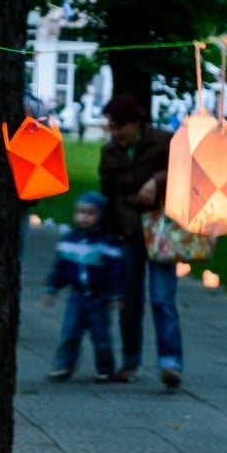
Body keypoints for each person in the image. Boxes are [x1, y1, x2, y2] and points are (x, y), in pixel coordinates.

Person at [98, 93, 182, 388]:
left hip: (160, 229)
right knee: (129, 300)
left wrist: (156, 182)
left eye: (120, 126)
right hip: (127, 230)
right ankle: (131, 359)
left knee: (162, 298)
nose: (116, 132)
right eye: (112, 126)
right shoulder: (110, 154)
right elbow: (107, 192)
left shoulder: (162, 142)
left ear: (136, 123)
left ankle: (170, 361)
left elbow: (185, 170)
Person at [42, 191, 124, 382]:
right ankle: (63, 365)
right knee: (70, 332)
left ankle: (105, 368)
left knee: (101, 336)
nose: (83, 218)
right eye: (80, 212)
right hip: (77, 296)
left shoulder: (106, 243)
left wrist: (116, 295)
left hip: (99, 297)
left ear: (100, 216)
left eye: (90, 213)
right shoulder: (69, 241)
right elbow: (60, 268)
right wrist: (52, 288)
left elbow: (116, 272)